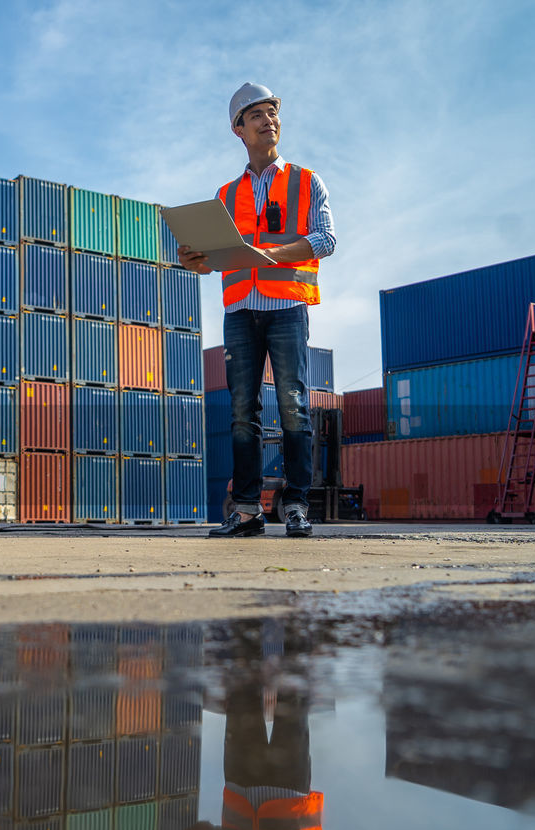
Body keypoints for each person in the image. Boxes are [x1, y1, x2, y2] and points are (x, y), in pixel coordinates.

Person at [179, 83, 337, 538]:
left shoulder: (307, 181)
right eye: (258, 115)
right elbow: (217, 259)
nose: (269, 120)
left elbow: (327, 239)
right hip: (240, 312)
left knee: (294, 407)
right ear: (239, 130)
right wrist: (195, 262)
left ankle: (296, 507)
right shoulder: (225, 194)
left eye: (273, 113)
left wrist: (279, 254)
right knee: (242, 412)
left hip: (287, 307)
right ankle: (247, 511)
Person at [159, 620, 341, 830]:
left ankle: (246, 610)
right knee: (293, 693)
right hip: (290, 792)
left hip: (238, 789)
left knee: (241, 687)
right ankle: (294, 607)